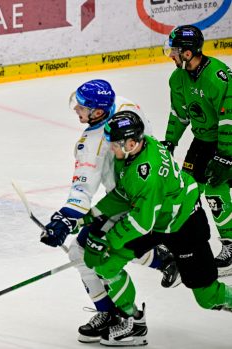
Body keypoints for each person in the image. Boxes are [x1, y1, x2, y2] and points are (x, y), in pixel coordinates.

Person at [41, 80, 179, 343]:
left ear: (98, 112)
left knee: (88, 253)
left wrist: (64, 219)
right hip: (141, 193)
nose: (77, 111)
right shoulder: (127, 108)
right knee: (93, 250)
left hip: (131, 201)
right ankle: (159, 262)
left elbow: (82, 191)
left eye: (82, 108)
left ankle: (121, 315)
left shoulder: (92, 144)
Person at [80, 110, 232, 346]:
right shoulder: (135, 152)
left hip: (184, 226)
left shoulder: (146, 174)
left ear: (131, 143)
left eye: (114, 144)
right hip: (156, 219)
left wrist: (106, 240)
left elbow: (140, 224)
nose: (111, 148)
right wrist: (92, 217)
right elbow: (124, 194)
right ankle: (132, 321)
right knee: (107, 263)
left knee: (207, 297)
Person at [162, 25, 232, 277]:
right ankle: (188, 241)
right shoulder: (177, 78)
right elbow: (179, 115)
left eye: (175, 50)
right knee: (186, 190)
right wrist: (170, 142)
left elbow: (229, 119)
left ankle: (231, 244)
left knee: (215, 189)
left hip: (228, 142)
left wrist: (225, 155)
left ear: (189, 53)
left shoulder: (218, 76)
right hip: (202, 141)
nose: (170, 55)